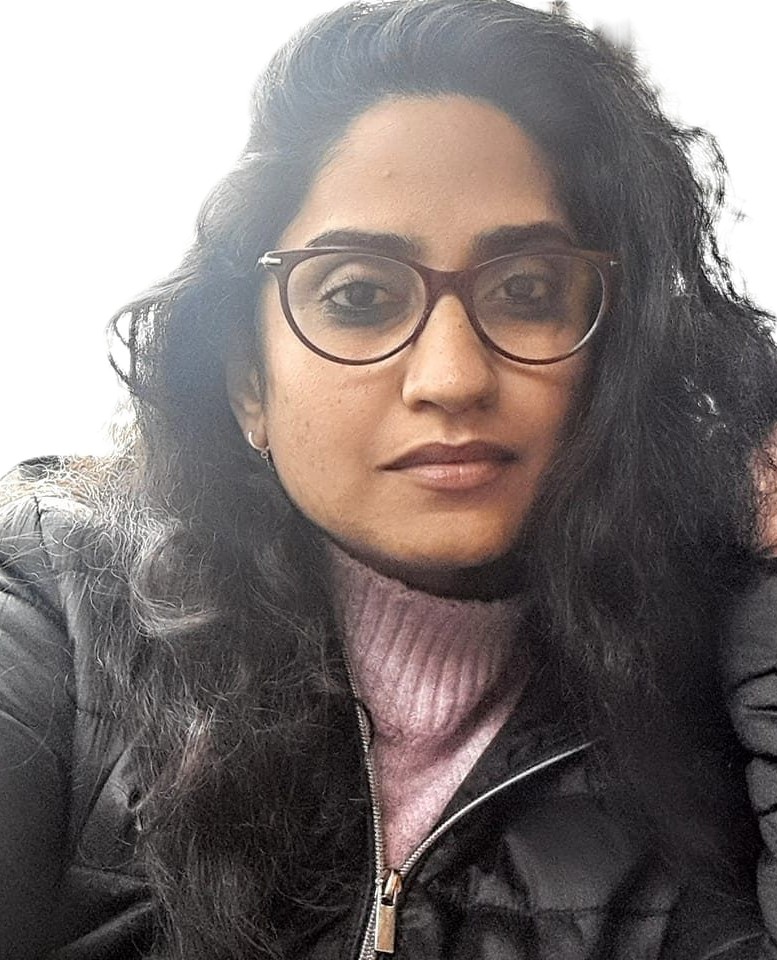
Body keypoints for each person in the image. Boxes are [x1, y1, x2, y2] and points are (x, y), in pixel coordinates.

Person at [2, 1, 777, 957]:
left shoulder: (709, 712)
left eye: (527, 292)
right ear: (249, 385)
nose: (451, 376)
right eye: (360, 297)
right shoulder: (59, 619)